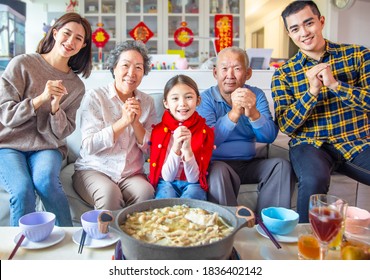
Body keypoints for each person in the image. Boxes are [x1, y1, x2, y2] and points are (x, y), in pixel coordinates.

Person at [271, 1, 370, 223]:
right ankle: (306, 243)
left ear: (321, 21)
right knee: (313, 180)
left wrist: (336, 86)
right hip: (310, 145)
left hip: (355, 141)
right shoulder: (283, 74)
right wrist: (312, 92)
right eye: (295, 29)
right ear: (289, 34)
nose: (304, 33)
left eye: (309, 23)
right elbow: (286, 125)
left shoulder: (357, 55)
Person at [0, 13, 92, 226]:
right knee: (22, 192)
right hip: (9, 144)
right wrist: (41, 98)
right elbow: (6, 114)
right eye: (67, 34)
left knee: (46, 182)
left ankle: (68, 244)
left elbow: (62, 132)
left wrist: (55, 107)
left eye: (78, 38)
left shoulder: (76, 86)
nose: (71, 42)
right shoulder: (22, 64)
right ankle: (21, 253)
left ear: (83, 45)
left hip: (47, 146)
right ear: (55, 32)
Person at [197, 46, 294, 217]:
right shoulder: (205, 99)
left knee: (281, 166)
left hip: (248, 163)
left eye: (237, 68)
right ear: (215, 73)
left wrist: (254, 113)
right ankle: (231, 227)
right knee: (218, 170)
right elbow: (209, 141)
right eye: (224, 68)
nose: (230, 75)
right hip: (217, 165)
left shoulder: (256, 95)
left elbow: (269, 136)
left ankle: (269, 227)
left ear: (248, 73)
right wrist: (234, 114)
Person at [73, 41, 156, 211]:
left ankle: (132, 237)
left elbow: (152, 151)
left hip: (131, 174)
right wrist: (124, 122)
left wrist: (135, 123)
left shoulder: (147, 102)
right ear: (114, 67)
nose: (131, 73)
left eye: (139, 67)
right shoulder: (95, 97)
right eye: (125, 65)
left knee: (146, 192)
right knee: (110, 193)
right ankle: (104, 237)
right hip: (94, 169)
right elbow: (89, 146)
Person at [149, 75, 214, 200]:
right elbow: (167, 177)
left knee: (193, 199)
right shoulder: (158, 132)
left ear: (198, 100)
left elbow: (194, 179)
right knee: (165, 199)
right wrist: (176, 148)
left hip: (193, 183)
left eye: (189, 97)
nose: (182, 104)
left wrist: (187, 150)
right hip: (166, 182)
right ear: (166, 103)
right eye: (175, 98)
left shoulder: (205, 132)